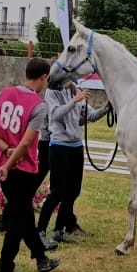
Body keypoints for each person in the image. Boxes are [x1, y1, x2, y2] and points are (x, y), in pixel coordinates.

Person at [0, 58, 59, 272]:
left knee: (24, 214)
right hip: (23, 169)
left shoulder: (2, 94)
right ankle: (4, 269)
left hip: (2, 163)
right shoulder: (38, 105)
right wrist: (10, 162)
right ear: (44, 77)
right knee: (19, 220)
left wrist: (5, 150)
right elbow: (26, 144)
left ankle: (41, 258)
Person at [37, 83, 109, 248]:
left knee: (73, 190)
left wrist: (106, 108)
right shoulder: (53, 92)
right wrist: (74, 101)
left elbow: (90, 116)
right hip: (59, 145)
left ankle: (59, 229)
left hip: (76, 145)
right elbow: (55, 114)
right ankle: (40, 231)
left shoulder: (78, 90)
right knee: (57, 191)